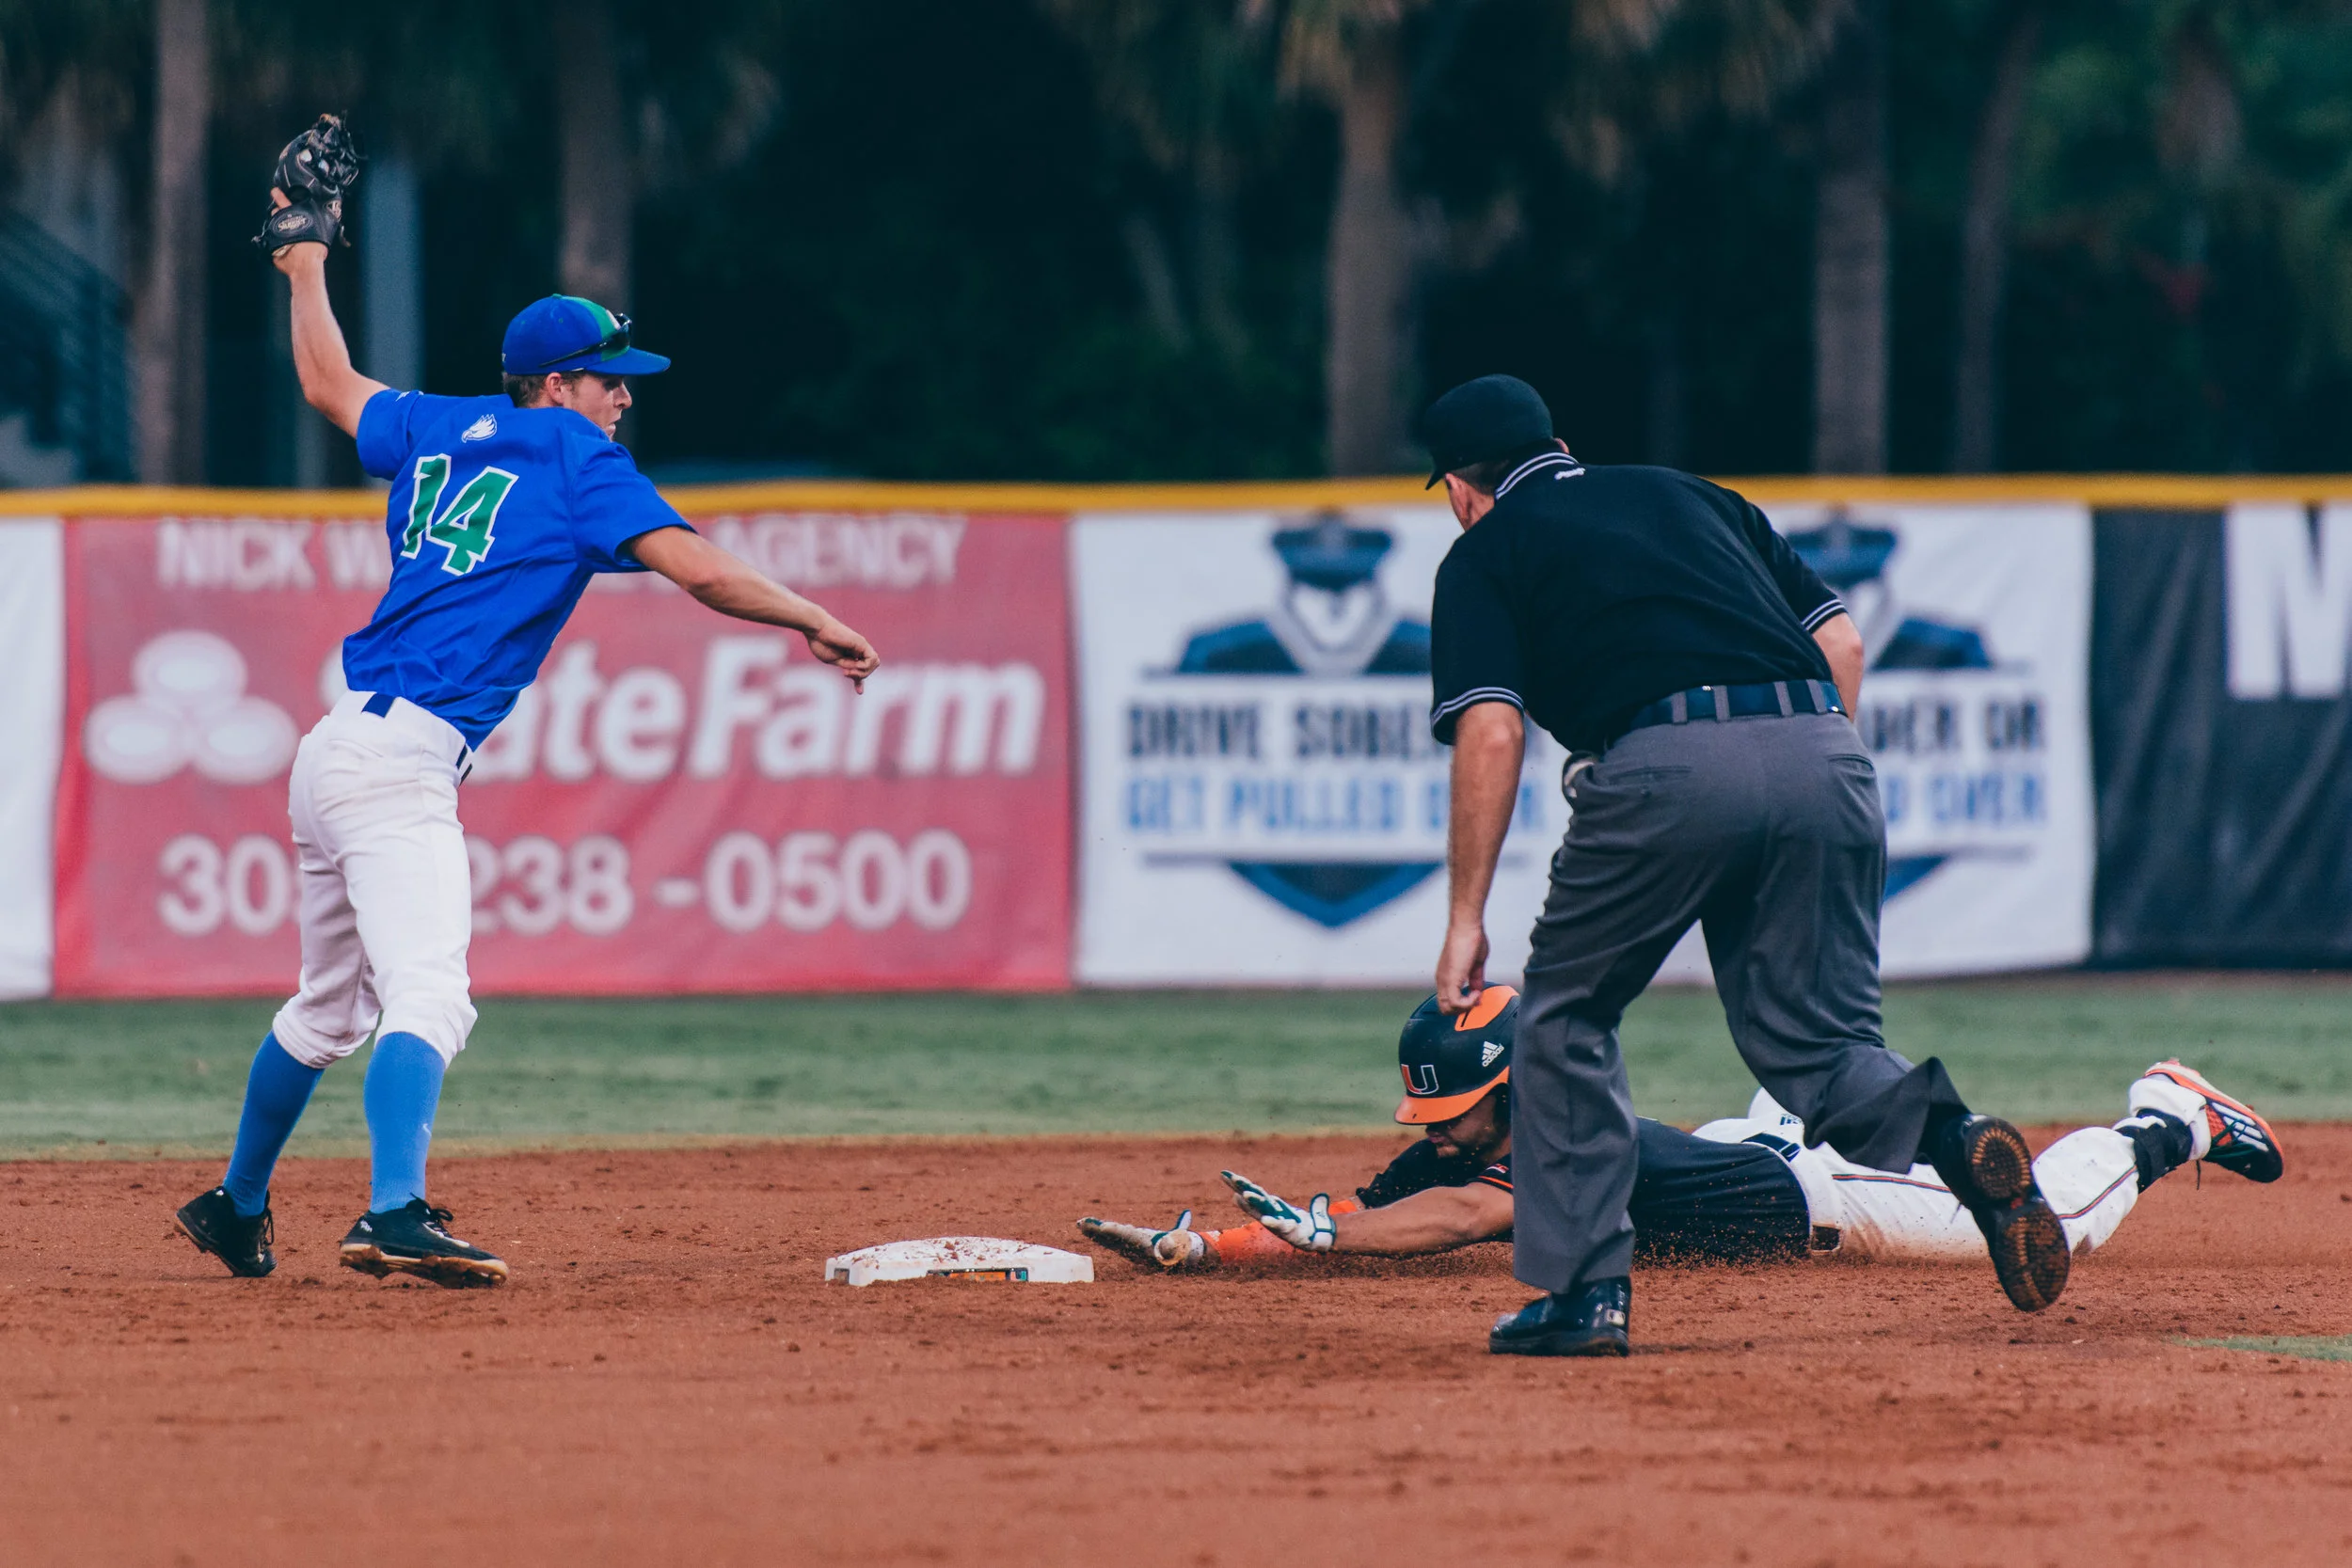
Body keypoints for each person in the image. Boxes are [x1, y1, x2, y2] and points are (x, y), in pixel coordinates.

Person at [175, 119, 879, 1288]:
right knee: (430, 994)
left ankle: (237, 1203)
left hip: (334, 748)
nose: (621, 402)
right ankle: (392, 1209)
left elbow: (324, 381)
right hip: (397, 766)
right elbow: (696, 568)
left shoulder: (441, 426)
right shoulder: (569, 451)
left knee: (327, 1006)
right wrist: (810, 614)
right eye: (610, 381)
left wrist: (303, 261)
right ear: (556, 383)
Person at [1417, 374, 2071, 1355]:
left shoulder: (1484, 552)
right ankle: (1952, 1135)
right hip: (1822, 749)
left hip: (1662, 763)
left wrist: (1465, 913)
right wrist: (1788, 770)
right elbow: (1840, 642)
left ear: (1463, 489)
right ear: (1556, 440)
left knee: (1563, 1016)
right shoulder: (1695, 495)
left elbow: (1494, 728)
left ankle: (1585, 1293)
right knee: (1821, 1042)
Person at [1078, 989, 2284, 1275]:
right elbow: (1420, 1183)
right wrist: (1239, 1235)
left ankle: (2167, 1110)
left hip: (1822, 1188)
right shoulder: (1505, 1121)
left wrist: (1296, 1237)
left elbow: (1455, 1213)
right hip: (1739, 1152)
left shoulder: (1542, 1135)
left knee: (2032, 1228)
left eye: (1454, 1109)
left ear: (1506, 1082)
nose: (1438, 1132)